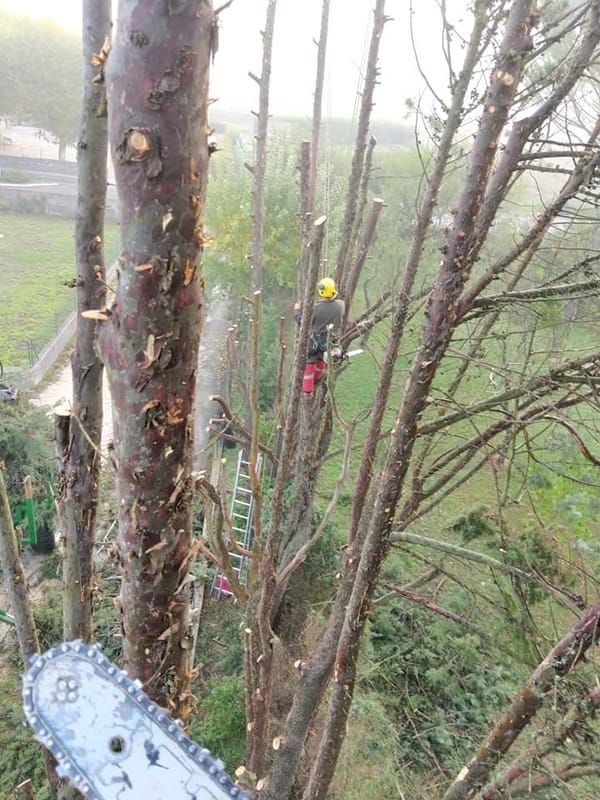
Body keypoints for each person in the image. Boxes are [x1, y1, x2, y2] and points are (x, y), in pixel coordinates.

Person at [294, 277, 345, 398]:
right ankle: (317, 379)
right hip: (329, 342)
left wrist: (297, 311)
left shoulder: (315, 309)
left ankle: (307, 392)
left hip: (314, 341)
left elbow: (303, 322)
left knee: (310, 363)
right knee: (321, 360)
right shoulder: (339, 307)